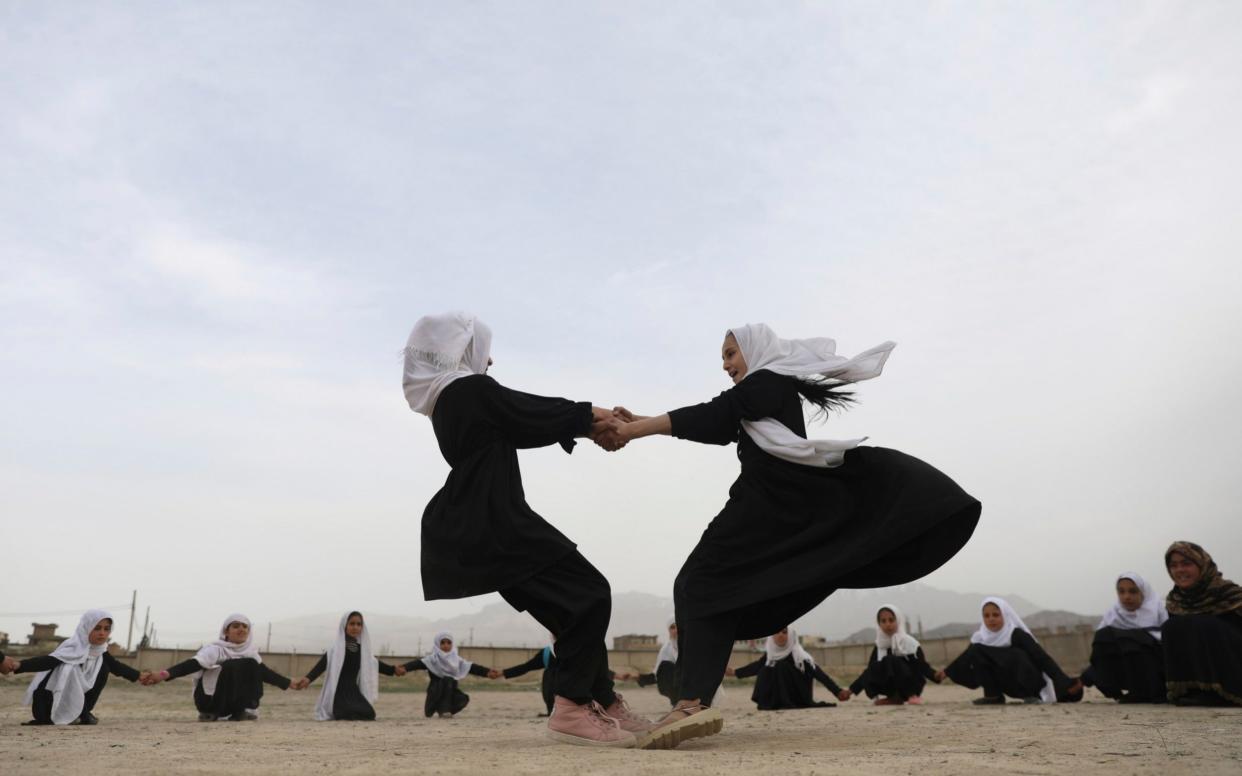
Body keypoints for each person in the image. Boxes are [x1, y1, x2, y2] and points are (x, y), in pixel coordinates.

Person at [600, 323, 980, 747]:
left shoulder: (769, 381)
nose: (725, 365)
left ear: (755, 350)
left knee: (697, 583)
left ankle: (692, 702)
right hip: (770, 504)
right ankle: (692, 700)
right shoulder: (764, 391)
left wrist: (637, 430)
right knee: (706, 589)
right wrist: (644, 421)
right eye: (723, 358)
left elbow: (718, 413)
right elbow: (719, 420)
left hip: (770, 507)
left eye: (730, 354)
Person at [402, 312, 649, 746]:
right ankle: (572, 707)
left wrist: (589, 426)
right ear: (458, 351)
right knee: (591, 592)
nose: (490, 360)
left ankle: (602, 702)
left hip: (480, 521)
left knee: (572, 612)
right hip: (494, 521)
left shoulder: (448, 401)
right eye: (481, 348)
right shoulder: (468, 389)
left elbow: (522, 423)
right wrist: (600, 416)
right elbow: (527, 410)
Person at [142, 613, 301, 720]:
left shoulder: (251, 653)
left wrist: (289, 683)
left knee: (253, 665)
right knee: (238, 665)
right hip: (209, 703)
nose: (241, 629)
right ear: (226, 630)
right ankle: (211, 713)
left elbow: (265, 673)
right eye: (236, 626)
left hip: (233, 705)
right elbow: (191, 664)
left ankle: (244, 710)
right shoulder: (215, 650)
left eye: (245, 626)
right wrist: (162, 675)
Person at [16, 610, 148, 725]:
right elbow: (46, 662)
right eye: (97, 628)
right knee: (68, 666)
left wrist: (139, 676)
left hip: (80, 705)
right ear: (86, 627)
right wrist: (19, 665)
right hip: (47, 705)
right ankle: (70, 714)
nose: (102, 633)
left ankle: (81, 712)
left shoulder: (100, 652)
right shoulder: (72, 647)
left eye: (106, 629)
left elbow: (116, 667)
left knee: (104, 667)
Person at [941, 598, 1082, 705]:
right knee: (976, 652)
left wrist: (1064, 682)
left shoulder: (1016, 634)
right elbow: (964, 658)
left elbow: (1041, 658)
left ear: (1005, 615)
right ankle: (993, 696)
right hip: (1006, 684)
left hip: (1027, 682)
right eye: (987, 616)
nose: (991, 619)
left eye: (996, 615)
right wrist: (946, 672)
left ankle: (1030, 695)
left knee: (1017, 654)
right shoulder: (980, 638)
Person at [1161, 541, 1242, 706]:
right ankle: (1192, 689)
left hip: (1236, 669)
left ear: (1202, 565)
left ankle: (1226, 691)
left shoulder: (1229, 594)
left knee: (1203, 625)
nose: (1180, 570)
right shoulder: (1176, 600)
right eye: (1174, 565)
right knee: (1172, 627)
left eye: (1186, 564)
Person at [294, 611, 400, 720]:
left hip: (354, 692)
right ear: (345, 626)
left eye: (359, 624)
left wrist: (394, 670)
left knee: (369, 713)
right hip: (338, 693)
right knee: (347, 713)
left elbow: (375, 664)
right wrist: (308, 679)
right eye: (352, 624)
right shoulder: (335, 650)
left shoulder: (362, 651)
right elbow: (320, 666)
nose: (355, 627)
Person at [1080, 574, 1167, 703]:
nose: (1126, 597)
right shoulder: (1114, 614)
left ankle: (1147, 692)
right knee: (1104, 637)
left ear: (1143, 592)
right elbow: (1100, 656)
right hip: (1126, 670)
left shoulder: (1158, 610)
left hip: (1156, 668)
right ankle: (1118, 691)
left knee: (1127, 640)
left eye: (1133, 591)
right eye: (1121, 591)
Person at [728, 627, 845, 709]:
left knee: (780, 666)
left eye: (784, 632)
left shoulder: (799, 656)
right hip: (777, 699)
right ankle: (771, 702)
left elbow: (818, 673)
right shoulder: (771, 655)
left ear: (790, 635)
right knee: (766, 668)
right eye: (776, 632)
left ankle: (787, 702)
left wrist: (837, 692)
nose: (780, 635)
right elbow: (756, 666)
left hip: (798, 696)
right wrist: (735, 672)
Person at [846, 604, 941, 705]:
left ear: (898, 620)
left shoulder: (909, 643)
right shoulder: (880, 645)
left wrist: (935, 675)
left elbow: (921, 666)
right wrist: (850, 691)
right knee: (875, 666)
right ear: (879, 624)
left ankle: (911, 695)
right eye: (883, 621)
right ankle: (894, 698)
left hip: (912, 684)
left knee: (890, 660)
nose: (888, 624)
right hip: (891, 687)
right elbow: (870, 671)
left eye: (891, 620)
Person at [395, 631, 500, 718]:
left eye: (449, 643)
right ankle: (442, 709)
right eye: (443, 643)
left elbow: (471, 667)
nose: (446, 645)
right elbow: (417, 664)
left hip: (451, 692)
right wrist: (404, 668)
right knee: (447, 680)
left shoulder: (456, 660)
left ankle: (445, 710)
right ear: (437, 644)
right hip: (436, 691)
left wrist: (487, 672)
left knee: (463, 698)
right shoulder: (433, 659)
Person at [499, 639, 558, 716]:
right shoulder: (547, 652)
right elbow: (527, 666)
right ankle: (551, 711)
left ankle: (554, 711)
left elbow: (526, 667)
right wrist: (504, 672)